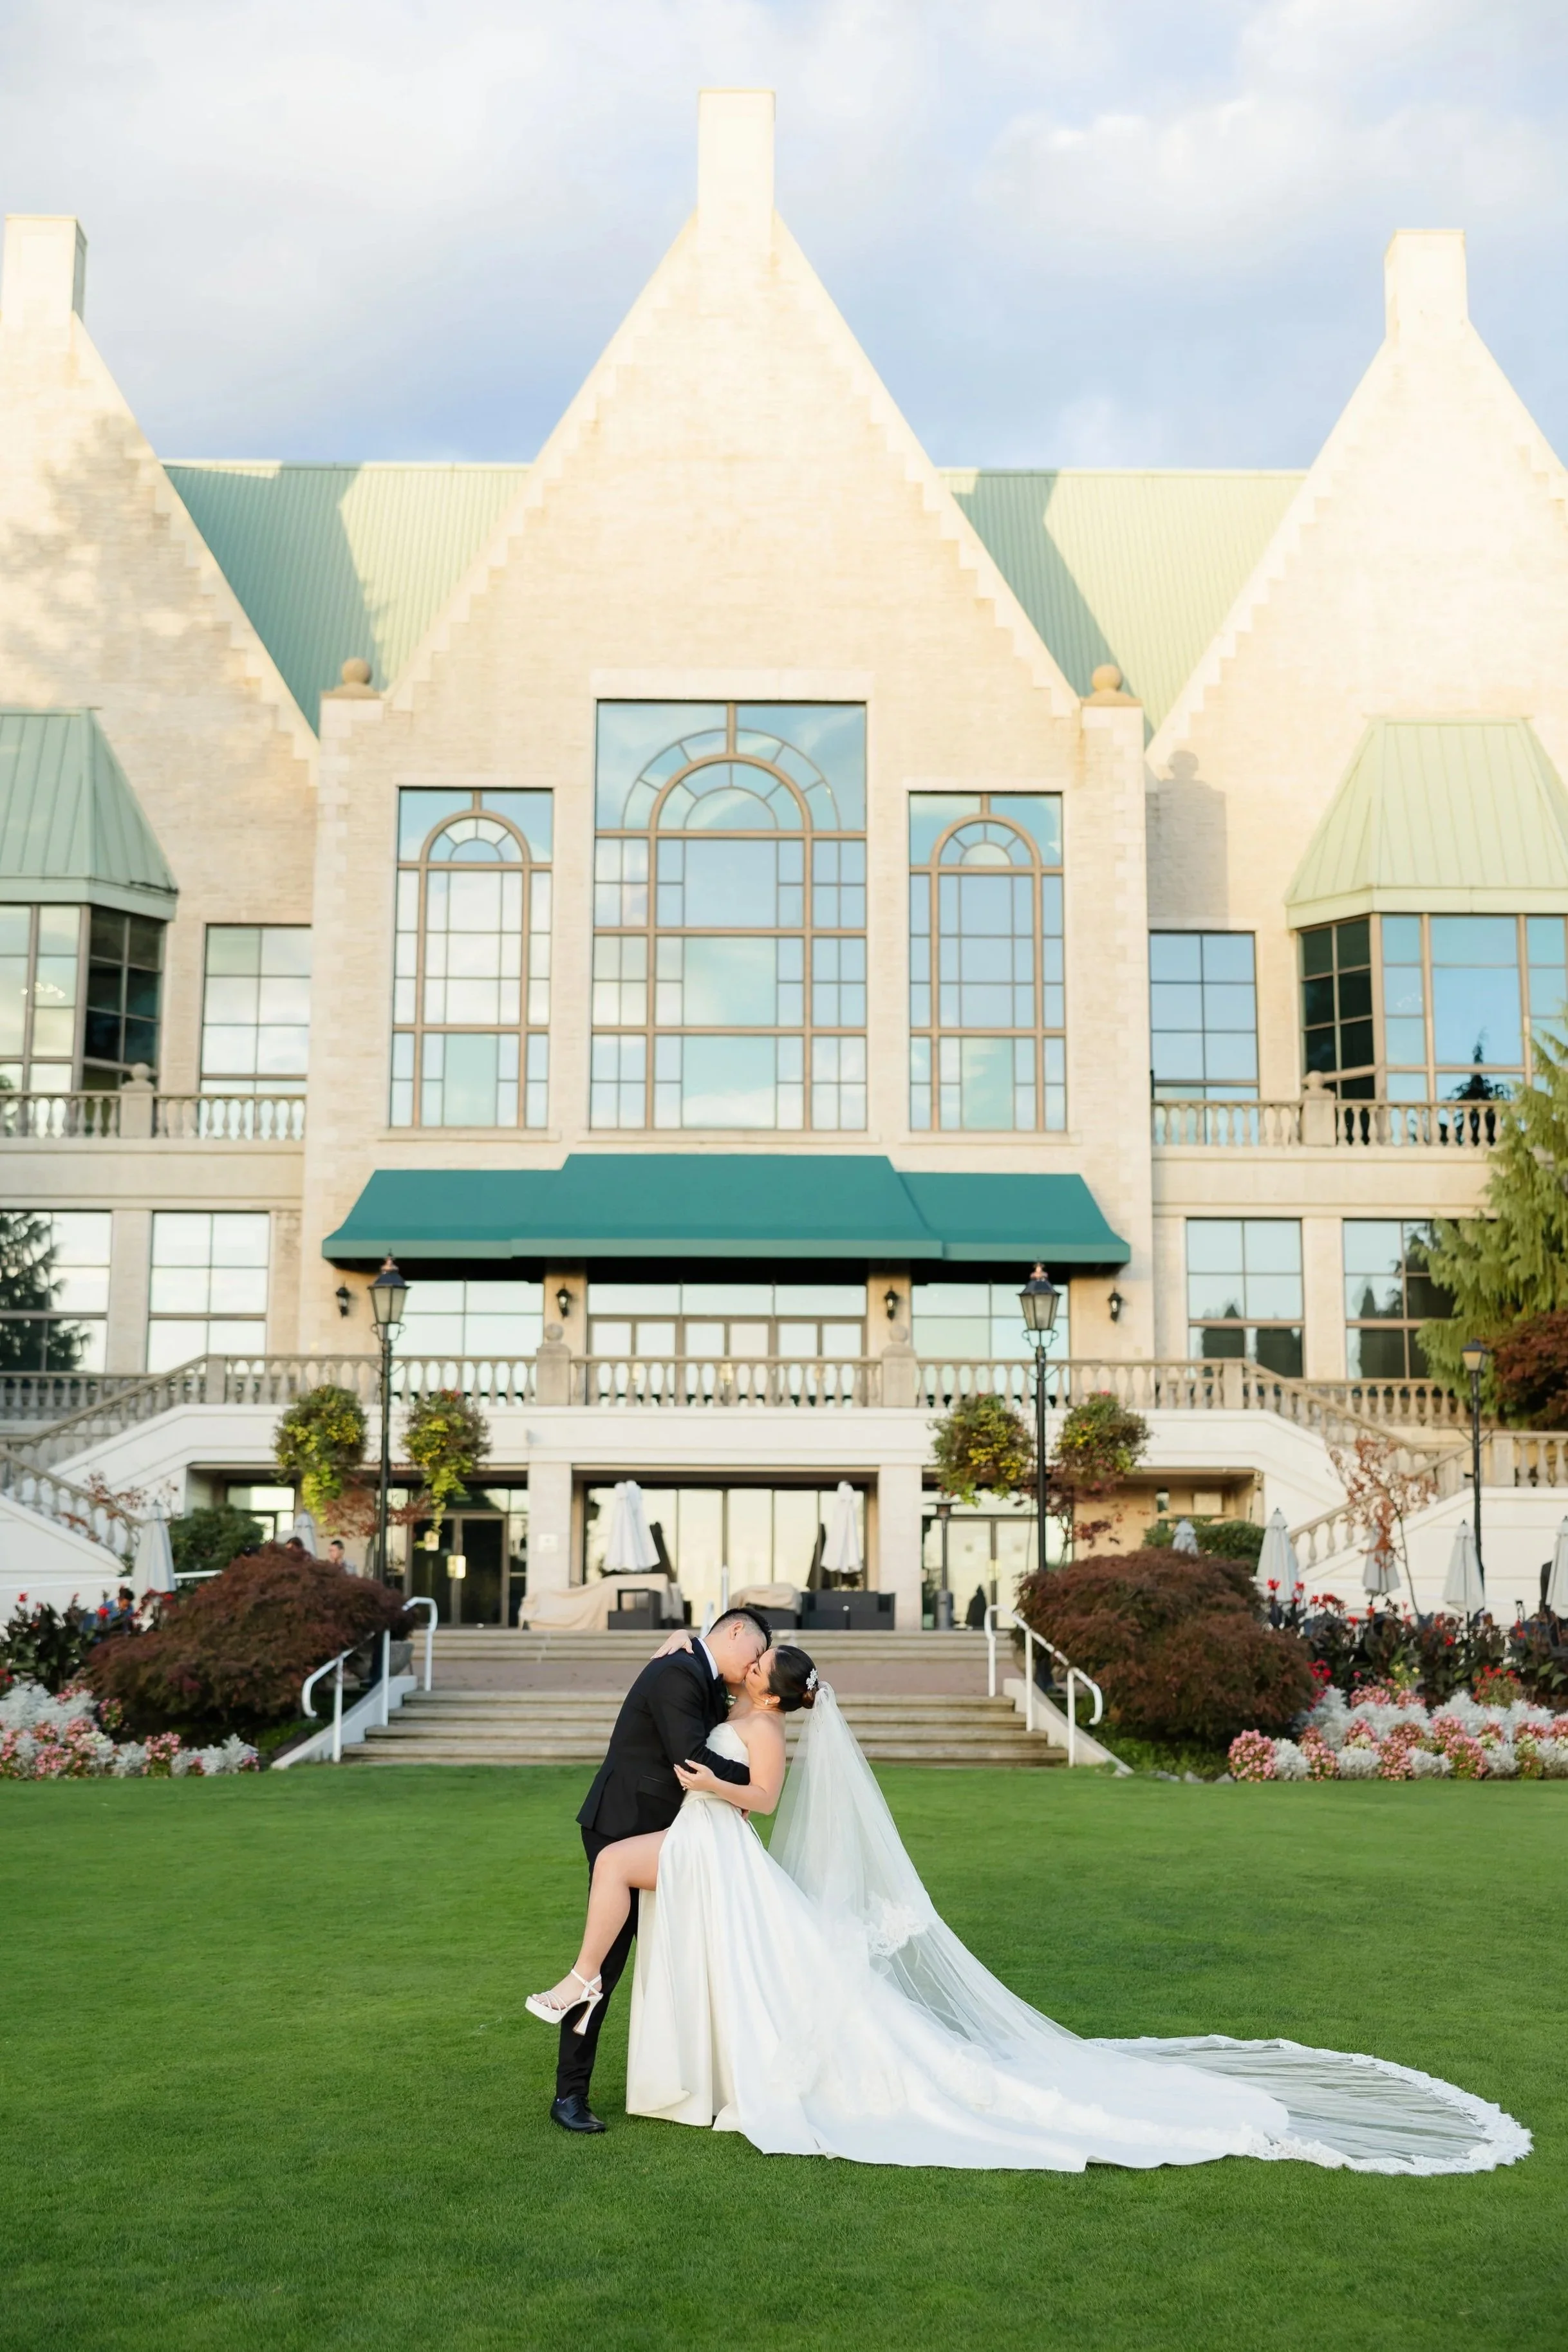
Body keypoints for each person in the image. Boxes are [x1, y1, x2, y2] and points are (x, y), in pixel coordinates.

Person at [528, 1653, 1530, 2175]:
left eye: (754, 1666)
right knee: (664, 1905)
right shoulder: (726, 1695)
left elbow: (765, 1802)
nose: (743, 1667)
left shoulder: (767, 1734)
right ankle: (597, 1989)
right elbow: (696, 1688)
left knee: (644, 1885)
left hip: (722, 1839)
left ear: (770, 1689)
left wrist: (714, 1780)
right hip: (708, 1847)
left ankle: (590, 1986)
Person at [536, 1605, 770, 2134]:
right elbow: (689, 1757)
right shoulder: (678, 1672)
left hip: (677, 1839)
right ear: (735, 1631)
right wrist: (755, 1780)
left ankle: (699, 2083)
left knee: (686, 1959)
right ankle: (569, 2095)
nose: (752, 1669)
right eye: (753, 1655)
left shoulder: (699, 1671)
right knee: (604, 1965)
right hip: (624, 1828)